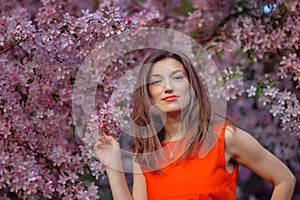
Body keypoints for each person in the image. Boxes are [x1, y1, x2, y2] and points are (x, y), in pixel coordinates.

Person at [94, 49, 296, 200]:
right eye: (157, 82)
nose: (168, 87)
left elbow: (285, 179)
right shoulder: (146, 155)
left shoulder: (224, 137)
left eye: (178, 77)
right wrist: (113, 166)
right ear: (148, 95)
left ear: (192, 86)